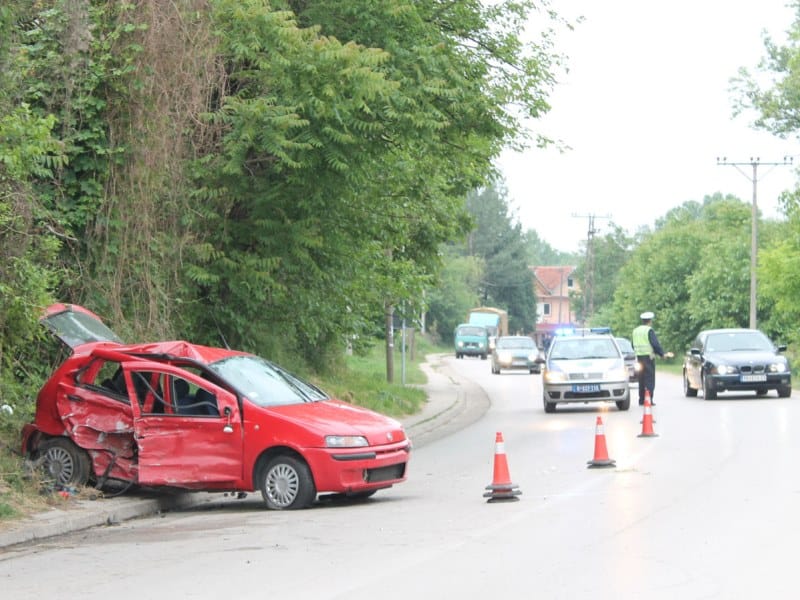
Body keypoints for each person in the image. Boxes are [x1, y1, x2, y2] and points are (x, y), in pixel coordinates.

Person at [632, 311, 673, 405]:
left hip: (639, 358)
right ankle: (648, 399)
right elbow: (655, 344)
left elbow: (632, 344)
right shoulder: (649, 330)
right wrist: (662, 354)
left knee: (641, 379)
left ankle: (641, 400)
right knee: (649, 379)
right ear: (650, 321)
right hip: (648, 358)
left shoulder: (636, 330)